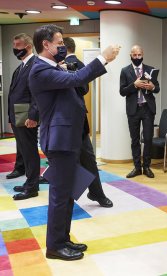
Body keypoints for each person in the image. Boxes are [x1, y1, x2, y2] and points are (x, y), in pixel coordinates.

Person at [29, 24, 120, 261]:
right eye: (58, 43)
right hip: (59, 142)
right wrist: (104, 58)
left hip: (70, 139)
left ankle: (63, 239)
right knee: (60, 195)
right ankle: (54, 246)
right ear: (45, 45)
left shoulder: (55, 67)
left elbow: (78, 82)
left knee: (68, 193)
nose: (62, 46)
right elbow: (80, 77)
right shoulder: (39, 70)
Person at [63, 37, 113, 208]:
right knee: (66, 163)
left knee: (89, 159)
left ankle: (97, 193)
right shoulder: (48, 67)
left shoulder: (78, 65)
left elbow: (84, 88)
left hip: (79, 122)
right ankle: (65, 200)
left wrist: (70, 75)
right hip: (60, 123)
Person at [7, 33, 41, 200]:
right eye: (14, 45)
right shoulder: (20, 67)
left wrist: (33, 116)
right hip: (18, 116)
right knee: (24, 151)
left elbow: (36, 94)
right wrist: (10, 117)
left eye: (17, 45)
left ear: (28, 46)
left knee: (30, 151)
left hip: (27, 116)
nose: (15, 49)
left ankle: (32, 187)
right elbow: (14, 94)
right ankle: (30, 181)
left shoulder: (35, 64)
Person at [120, 45, 159, 179]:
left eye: (139, 55)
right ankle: (137, 167)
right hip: (133, 109)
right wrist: (134, 85)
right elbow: (122, 91)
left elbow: (157, 88)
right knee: (135, 140)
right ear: (130, 55)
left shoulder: (150, 69)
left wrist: (153, 86)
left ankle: (147, 167)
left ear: (143, 55)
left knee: (148, 139)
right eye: (134, 55)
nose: (137, 57)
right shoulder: (125, 71)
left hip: (148, 108)